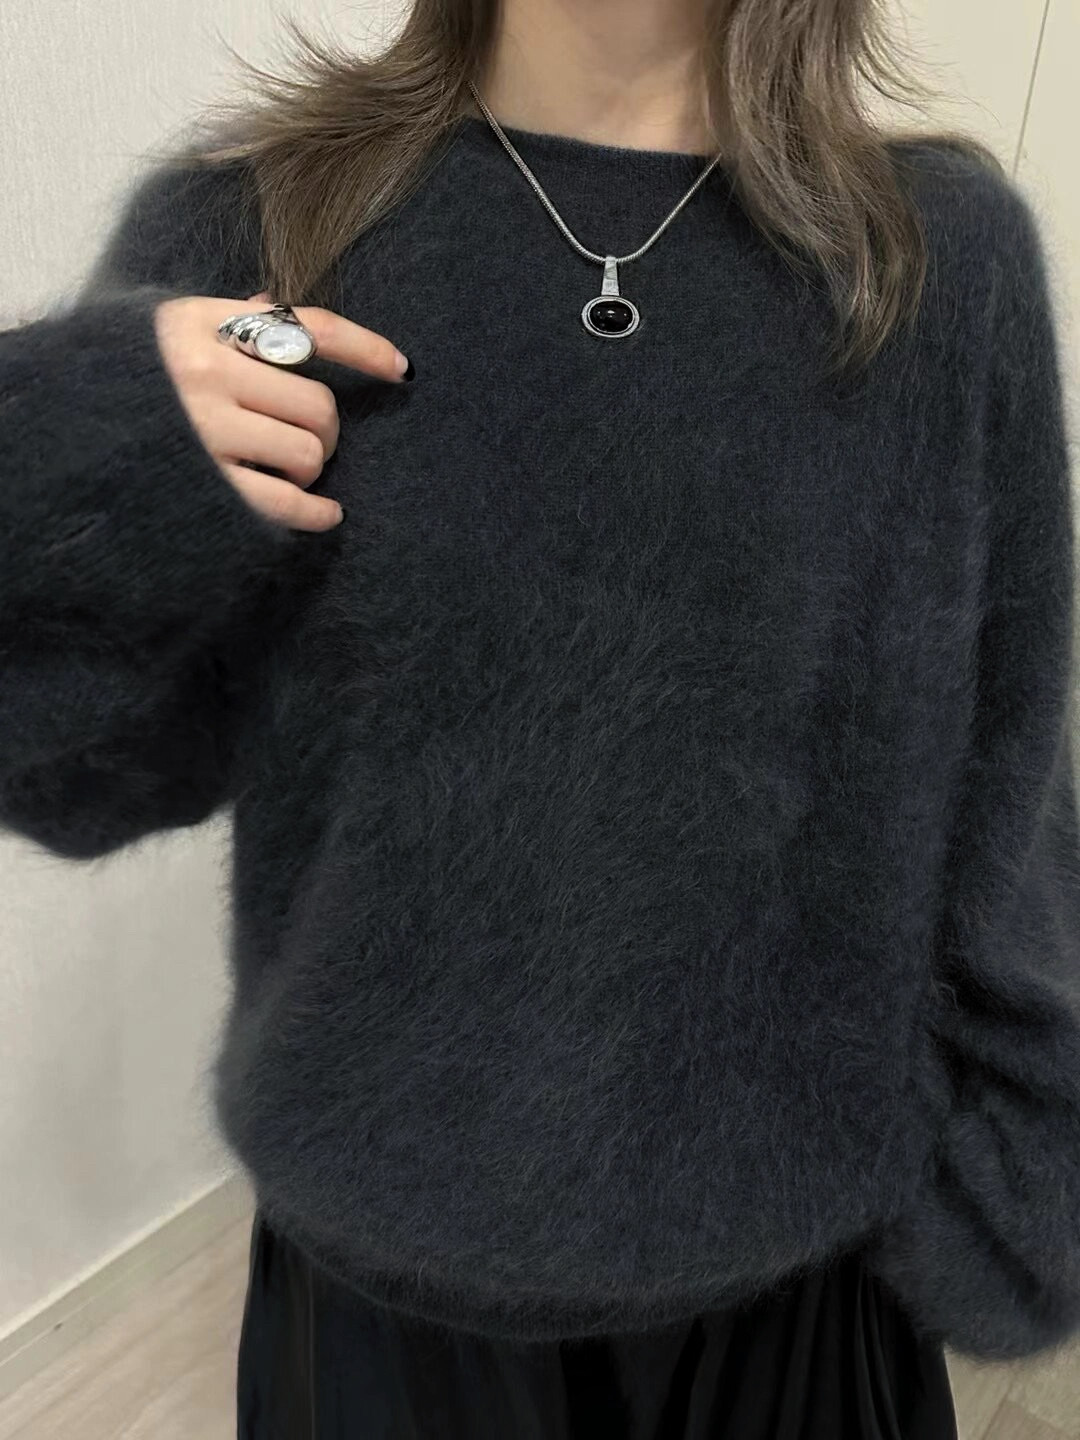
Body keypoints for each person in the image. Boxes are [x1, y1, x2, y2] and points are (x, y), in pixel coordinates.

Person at [3, 0, 1079, 1435]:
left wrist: (1020, 1182)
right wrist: (68, 441)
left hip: (794, 1280)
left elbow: (1009, 776)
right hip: (378, 1276)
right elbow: (87, 780)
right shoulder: (259, 226)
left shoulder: (935, 261)